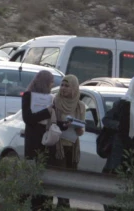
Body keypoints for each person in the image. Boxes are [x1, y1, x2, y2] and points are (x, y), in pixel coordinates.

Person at [21, 70, 55, 210]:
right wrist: (47, 111)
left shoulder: (50, 97)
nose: (52, 86)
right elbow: (28, 118)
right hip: (33, 140)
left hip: (46, 140)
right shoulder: (28, 96)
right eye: (50, 82)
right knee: (31, 173)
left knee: (45, 174)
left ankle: (42, 203)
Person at [50, 74, 85, 209]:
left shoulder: (80, 106)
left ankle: (65, 203)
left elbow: (81, 131)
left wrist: (76, 126)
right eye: (62, 85)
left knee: (70, 177)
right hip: (58, 145)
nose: (63, 88)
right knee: (59, 177)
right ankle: (61, 203)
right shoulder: (55, 102)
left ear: (74, 88)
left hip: (73, 145)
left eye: (67, 85)